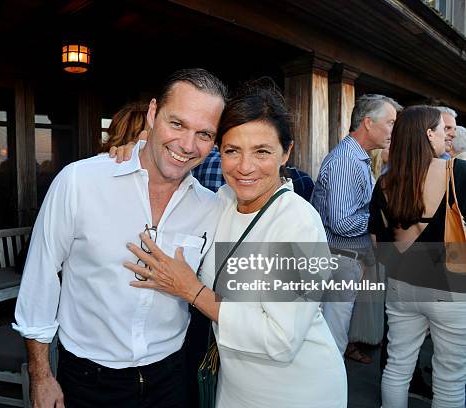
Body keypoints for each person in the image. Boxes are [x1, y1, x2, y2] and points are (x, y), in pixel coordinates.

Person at [123, 82, 347, 408]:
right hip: (236, 387)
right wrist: (136, 153)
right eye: (232, 151)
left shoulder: (299, 223)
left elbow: (281, 340)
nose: (244, 167)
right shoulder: (225, 199)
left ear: (287, 152)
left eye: (262, 151)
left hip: (296, 390)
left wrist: (192, 291)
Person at [13, 68, 227, 408]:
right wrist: (40, 375)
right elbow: (40, 277)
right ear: (154, 114)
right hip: (88, 382)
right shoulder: (80, 182)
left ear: (214, 141)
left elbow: (235, 298)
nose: (187, 145)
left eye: (204, 133)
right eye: (177, 124)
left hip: (172, 377)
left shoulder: (212, 207)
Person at [369, 105, 466, 408]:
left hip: (401, 285)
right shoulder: (457, 172)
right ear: (429, 133)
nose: (445, 136)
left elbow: (377, 243)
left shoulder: (385, 182)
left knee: (397, 366)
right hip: (450, 285)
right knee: (450, 378)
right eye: (441, 129)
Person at [311, 94, 402, 361]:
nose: (393, 131)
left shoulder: (356, 158)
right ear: (368, 123)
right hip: (339, 260)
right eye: (390, 122)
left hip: (345, 259)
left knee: (333, 339)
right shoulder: (346, 161)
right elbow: (342, 222)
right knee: (331, 343)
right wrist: (382, 219)